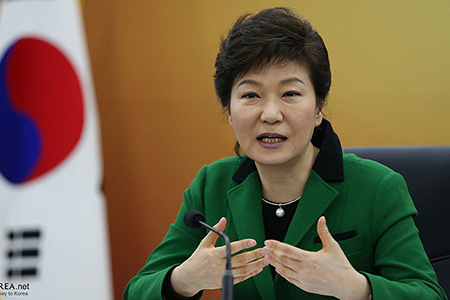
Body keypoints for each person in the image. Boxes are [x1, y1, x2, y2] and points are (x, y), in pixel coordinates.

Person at [123, 7, 447, 300]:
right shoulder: (211, 184)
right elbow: (138, 290)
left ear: (319, 106)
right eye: (251, 94)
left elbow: (428, 294)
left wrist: (358, 288)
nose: (271, 114)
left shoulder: (378, 187)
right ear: (229, 109)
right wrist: (183, 279)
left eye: (290, 93)